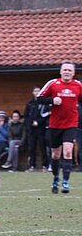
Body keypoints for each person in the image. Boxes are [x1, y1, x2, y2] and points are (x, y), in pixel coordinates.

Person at [37, 62, 82, 194]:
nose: (67, 72)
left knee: (68, 151)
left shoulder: (78, 85)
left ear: (73, 73)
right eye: (65, 70)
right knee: (56, 154)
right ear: (61, 72)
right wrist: (51, 101)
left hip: (71, 124)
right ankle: (56, 178)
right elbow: (39, 98)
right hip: (55, 125)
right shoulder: (53, 83)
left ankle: (66, 182)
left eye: (69, 70)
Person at [24, 86, 50, 172]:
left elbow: (46, 115)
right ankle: (32, 165)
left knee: (43, 147)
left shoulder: (43, 103)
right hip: (31, 130)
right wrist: (29, 125)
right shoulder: (30, 103)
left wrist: (38, 122)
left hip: (41, 129)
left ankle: (45, 165)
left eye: (38, 91)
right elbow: (26, 116)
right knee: (31, 148)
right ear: (33, 92)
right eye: (35, 91)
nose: (37, 93)